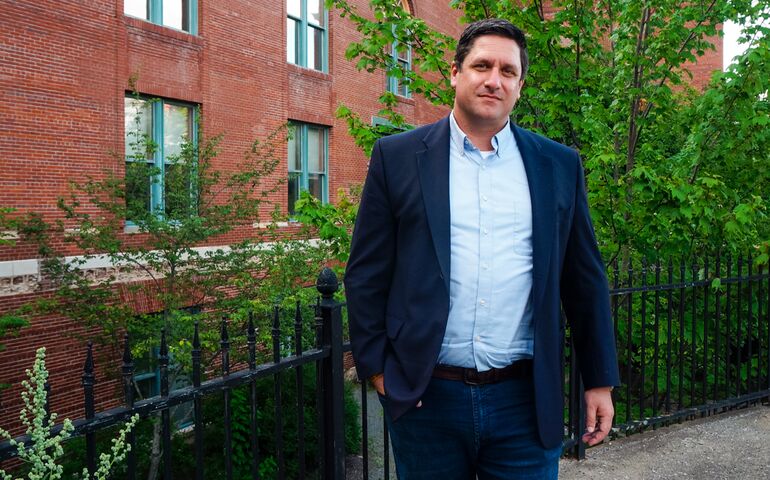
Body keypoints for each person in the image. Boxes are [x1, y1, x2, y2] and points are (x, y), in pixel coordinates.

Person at [344, 18, 620, 479]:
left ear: (520, 85)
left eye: (508, 71)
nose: (494, 80)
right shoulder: (397, 157)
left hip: (525, 401)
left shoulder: (558, 165)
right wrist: (378, 370)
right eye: (482, 65)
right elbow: (366, 273)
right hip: (426, 398)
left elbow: (584, 279)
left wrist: (599, 380)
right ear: (455, 72)